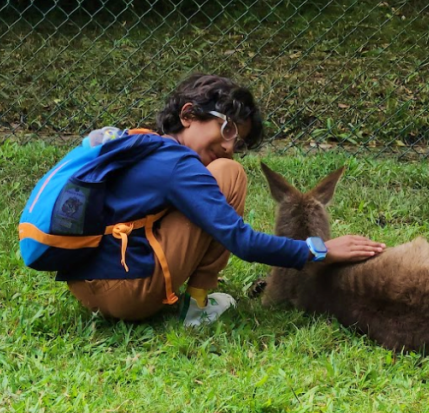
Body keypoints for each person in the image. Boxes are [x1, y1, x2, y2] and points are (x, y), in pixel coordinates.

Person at [55, 73, 386, 326]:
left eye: (238, 142)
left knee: (215, 178)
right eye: (227, 129)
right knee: (229, 174)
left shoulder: (142, 144)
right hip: (129, 294)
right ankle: (197, 307)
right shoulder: (177, 165)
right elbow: (241, 241)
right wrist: (318, 250)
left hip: (84, 288)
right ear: (188, 114)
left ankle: (164, 296)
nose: (230, 147)